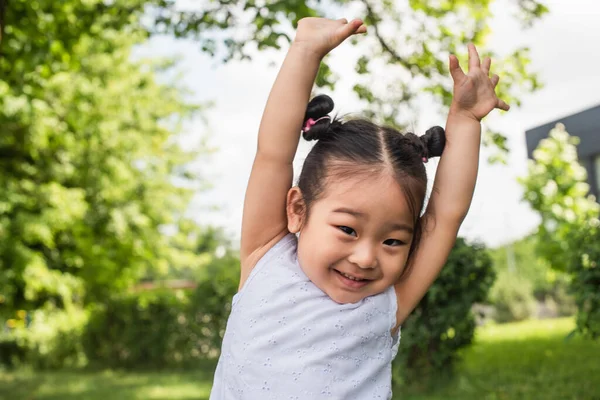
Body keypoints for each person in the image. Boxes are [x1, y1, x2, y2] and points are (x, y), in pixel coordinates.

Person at [209, 16, 509, 400]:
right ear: (298, 209)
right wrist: (305, 51)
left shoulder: (385, 305)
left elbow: (445, 215)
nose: (366, 258)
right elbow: (273, 155)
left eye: (394, 241)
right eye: (348, 230)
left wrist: (465, 119)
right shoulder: (264, 257)